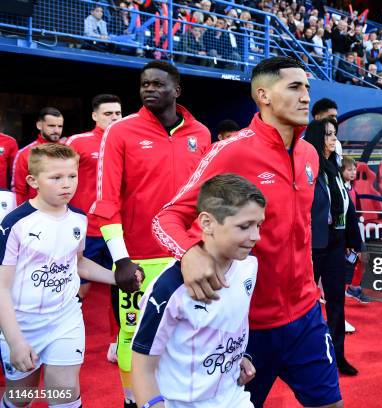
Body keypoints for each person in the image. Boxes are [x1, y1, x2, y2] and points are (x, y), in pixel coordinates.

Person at [153, 57, 344, 408]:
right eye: (294, 87)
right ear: (263, 95)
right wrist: (189, 254)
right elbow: (166, 218)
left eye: (307, 88)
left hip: (305, 317)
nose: (305, 97)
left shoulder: (309, 155)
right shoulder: (232, 151)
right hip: (244, 325)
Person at [89, 61, 211, 408]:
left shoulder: (200, 134)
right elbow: (106, 201)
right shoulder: (121, 132)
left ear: (177, 90)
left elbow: (204, 198)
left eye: (158, 84)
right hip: (138, 259)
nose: (150, 89)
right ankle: (133, 401)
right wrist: (121, 259)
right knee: (133, 338)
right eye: (145, 84)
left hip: (187, 255)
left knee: (187, 335)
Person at [0, 144, 129, 408]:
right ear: (33, 181)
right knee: (21, 397)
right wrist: (15, 341)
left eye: (72, 176)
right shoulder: (14, 224)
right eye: (56, 178)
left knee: (65, 394)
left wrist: (117, 278)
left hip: (65, 319)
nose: (66, 185)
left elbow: (79, 264)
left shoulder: (78, 219)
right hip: (22, 324)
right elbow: (2, 288)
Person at [132, 174, 264, 408]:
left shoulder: (249, 265)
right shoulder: (169, 287)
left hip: (234, 397)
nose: (256, 236)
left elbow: (229, 325)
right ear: (207, 223)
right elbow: (142, 367)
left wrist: (237, 358)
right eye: (244, 226)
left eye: (258, 225)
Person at [304, 118, 362, 376]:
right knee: (306, 302)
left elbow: (347, 206)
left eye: (334, 135)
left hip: (336, 242)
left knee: (337, 303)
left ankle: (338, 356)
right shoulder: (307, 167)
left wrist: (353, 240)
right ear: (317, 137)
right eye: (328, 135)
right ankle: (305, 355)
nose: (333, 139)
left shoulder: (335, 168)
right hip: (314, 243)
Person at [66, 94, 122, 300]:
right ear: (94, 116)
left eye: (118, 113)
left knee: (121, 283)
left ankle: (117, 331)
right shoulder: (78, 142)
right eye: (108, 113)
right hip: (86, 228)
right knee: (82, 288)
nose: (114, 117)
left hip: (117, 229)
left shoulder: (130, 143)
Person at [12, 107, 64, 205]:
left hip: (66, 211)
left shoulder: (69, 151)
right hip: (35, 211)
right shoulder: (25, 153)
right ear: (39, 125)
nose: (56, 130)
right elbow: (19, 190)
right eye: (51, 126)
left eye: (60, 126)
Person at [341, 157, 371, 304]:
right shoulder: (339, 189)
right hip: (343, 234)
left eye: (354, 169)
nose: (353, 173)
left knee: (363, 257)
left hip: (355, 232)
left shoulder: (353, 189)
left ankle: (354, 287)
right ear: (341, 171)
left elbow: (357, 214)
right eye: (349, 170)